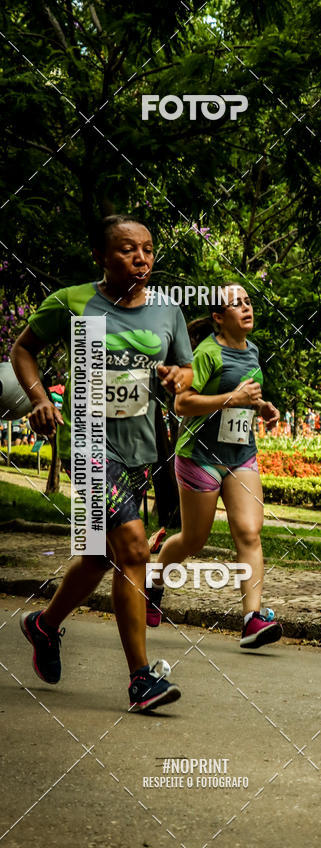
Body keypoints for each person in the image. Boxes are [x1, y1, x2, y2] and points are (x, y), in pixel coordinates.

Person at [11, 214, 193, 712]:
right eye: (128, 250)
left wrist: (179, 377)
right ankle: (141, 680)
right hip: (89, 445)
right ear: (101, 258)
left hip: (140, 449)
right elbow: (23, 348)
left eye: (149, 250)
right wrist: (38, 399)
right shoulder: (72, 301)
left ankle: (44, 626)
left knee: (99, 557)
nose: (141, 259)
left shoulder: (167, 310)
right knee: (132, 548)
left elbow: (187, 370)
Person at [146, 283, 283, 649]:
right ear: (219, 319)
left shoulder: (252, 351)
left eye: (249, 301)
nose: (246, 308)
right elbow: (182, 404)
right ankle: (153, 580)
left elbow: (245, 395)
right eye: (236, 305)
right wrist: (231, 399)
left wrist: (261, 406)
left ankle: (252, 620)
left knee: (249, 533)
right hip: (199, 458)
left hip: (240, 456)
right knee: (193, 539)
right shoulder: (206, 353)